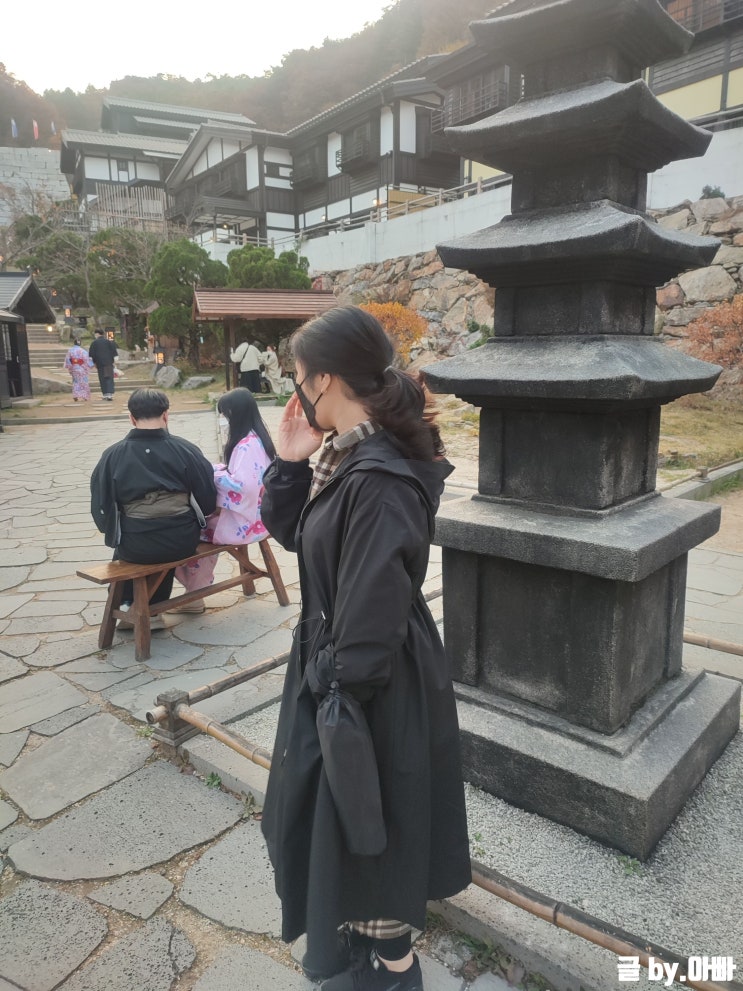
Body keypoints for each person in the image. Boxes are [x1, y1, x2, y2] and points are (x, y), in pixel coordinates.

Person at [259, 306, 471, 991]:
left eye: (297, 378)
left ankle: (394, 971)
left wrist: (331, 685)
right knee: (345, 821)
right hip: (347, 668)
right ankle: (360, 955)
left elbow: (371, 614)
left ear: (323, 379)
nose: (295, 392)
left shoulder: (377, 478)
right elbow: (306, 539)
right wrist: (289, 464)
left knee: (370, 818)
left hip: (371, 680)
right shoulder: (345, 455)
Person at [90, 388, 217, 628]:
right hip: (182, 540)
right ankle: (150, 608)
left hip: (136, 545)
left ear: (131, 418)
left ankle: (130, 606)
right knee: (164, 535)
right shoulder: (186, 450)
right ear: (166, 415)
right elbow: (208, 501)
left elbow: (101, 507)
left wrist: (115, 530)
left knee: (137, 543)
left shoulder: (113, 455)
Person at [173, 388, 276, 612]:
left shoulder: (245, 445)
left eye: (224, 414)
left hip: (245, 522)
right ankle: (195, 592)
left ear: (233, 414)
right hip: (261, 517)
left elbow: (242, 486)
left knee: (192, 530)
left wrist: (213, 474)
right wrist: (221, 471)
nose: (223, 419)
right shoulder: (258, 438)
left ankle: (195, 594)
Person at [89, 329, 118, 401]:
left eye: (95, 334)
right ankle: (109, 395)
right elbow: (114, 353)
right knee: (109, 378)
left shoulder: (94, 343)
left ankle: (105, 394)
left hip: (100, 364)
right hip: (109, 363)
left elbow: (91, 355)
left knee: (102, 379)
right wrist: (114, 362)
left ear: (97, 334)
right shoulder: (109, 342)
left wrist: (94, 363)